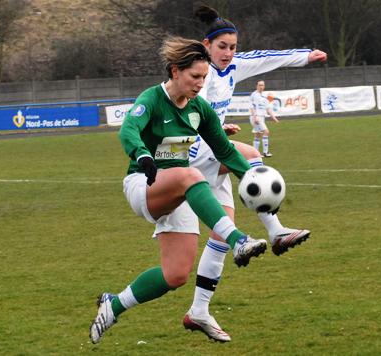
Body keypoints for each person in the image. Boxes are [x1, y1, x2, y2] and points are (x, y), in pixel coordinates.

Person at [89, 36, 268, 344]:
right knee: (191, 174)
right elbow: (128, 129)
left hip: (180, 189)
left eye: (204, 77)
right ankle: (238, 240)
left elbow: (224, 151)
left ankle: (113, 304)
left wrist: (252, 176)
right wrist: (141, 154)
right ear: (174, 71)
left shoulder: (199, 109)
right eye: (194, 76)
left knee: (175, 275)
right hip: (143, 185)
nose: (200, 84)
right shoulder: (152, 99)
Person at [183, 5, 328, 342]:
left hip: (211, 149)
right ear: (206, 45)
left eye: (233, 47)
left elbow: (269, 57)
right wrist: (214, 129)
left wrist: (306, 56)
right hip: (190, 156)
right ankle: (275, 231)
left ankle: (199, 310)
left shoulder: (233, 66)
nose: (228, 53)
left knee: (221, 235)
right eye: (222, 47)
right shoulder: (194, 73)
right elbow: (181, 110)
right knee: (250, 156)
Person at [249, 80, 279, 157]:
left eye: (262, 85)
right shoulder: (254, 95)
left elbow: (268, 109)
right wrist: (255, 117)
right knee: (266, 132)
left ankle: (255, 154)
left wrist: (274, 118)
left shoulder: (263, 96)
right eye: (260, 85)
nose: (261, 87)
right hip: (256, 117)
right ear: (256, 86)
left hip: (261, 117)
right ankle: (265, 152)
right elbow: (252, 107)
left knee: (257, 135)